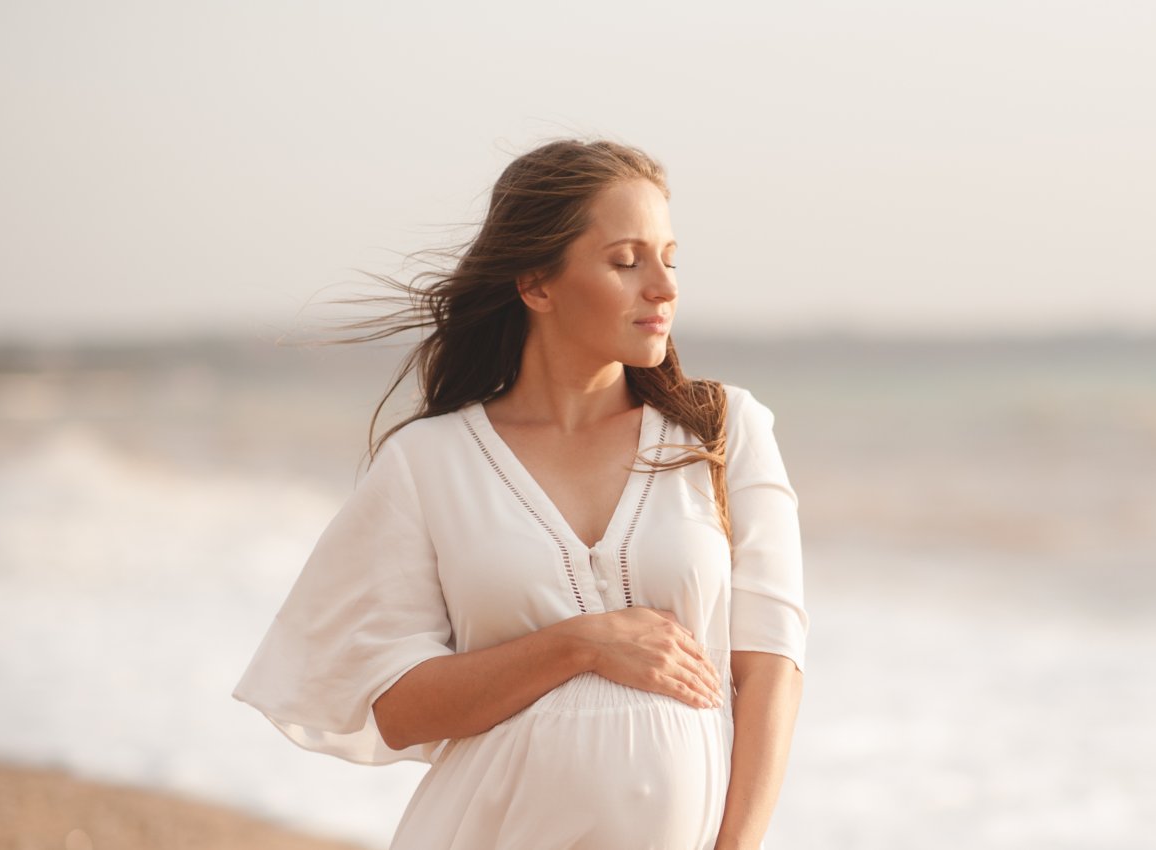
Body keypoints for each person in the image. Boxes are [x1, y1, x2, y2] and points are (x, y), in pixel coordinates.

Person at [231, 138, 807, 850]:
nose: (664, 285)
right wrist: (577, 646)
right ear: (536, 284)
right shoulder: (429, 462)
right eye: (626, 261)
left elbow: (771, 668)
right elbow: (398, 708)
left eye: (670, 256)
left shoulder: (722, 432)